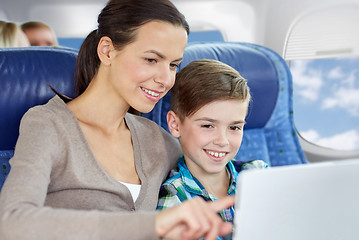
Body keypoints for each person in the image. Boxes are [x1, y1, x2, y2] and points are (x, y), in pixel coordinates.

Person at [0, 1, 235, 240]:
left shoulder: (157, 139)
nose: (166, 80)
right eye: (151, 60)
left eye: (173, 65)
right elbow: (12, 222)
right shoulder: (49, 125)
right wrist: (154, 224)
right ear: (107, 51)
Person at [157, 59, 269, 239]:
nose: (222, 141)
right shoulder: (175, 198)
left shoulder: (258, 173)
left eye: (234, 127)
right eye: (208, 126)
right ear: (175, 125)